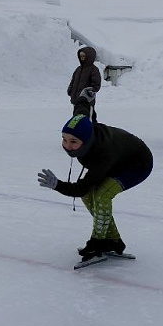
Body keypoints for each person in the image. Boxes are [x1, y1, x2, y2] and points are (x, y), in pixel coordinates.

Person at [37, 111, 153, 262]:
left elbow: (81, 188)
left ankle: (98, 243)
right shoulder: (87, 137)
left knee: (101, 195)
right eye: (64, 140)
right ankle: (113, 241)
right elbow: (82, 111)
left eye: (73, 141)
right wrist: (85, 97)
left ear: (86, 140)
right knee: (88, 195)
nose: (67, 146)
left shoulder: (103, 154)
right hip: (118, 159)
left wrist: (57, 185)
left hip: (137, 165)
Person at [67, 46, 101, 122]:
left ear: (89, 57)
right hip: (77, 100)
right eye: (81, 56)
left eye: (84, 56)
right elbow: (73, 81)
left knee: (89, 119)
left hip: (87, 101)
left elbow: (96, 85)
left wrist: (88, 93)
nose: (82, 58)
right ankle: (78, 132)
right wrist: (70, 90)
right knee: (76, 118)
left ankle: (92, 132)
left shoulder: (94, 70)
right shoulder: (78, 69)